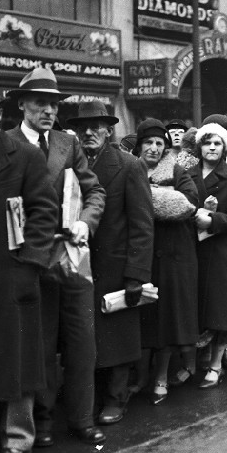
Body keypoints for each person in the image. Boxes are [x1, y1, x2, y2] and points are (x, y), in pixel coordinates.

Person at [6, 68, 107, 448]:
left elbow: (94, 192)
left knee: (83, 342)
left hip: (74, 256)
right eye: (40, 103)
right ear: (22, 105)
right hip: (31, 260)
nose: (48, 110)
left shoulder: (68, 142)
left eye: (53, 103)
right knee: (41, 344)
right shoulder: (7, 143)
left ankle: (82, 419)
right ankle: (44, 421)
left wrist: (85, 223)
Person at [0, 75, 59, 453]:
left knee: (17, 359)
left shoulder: (24, 156)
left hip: (12, 274)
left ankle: (17, 439)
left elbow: (44, 213)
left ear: (0, 113)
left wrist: (31, 263)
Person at [69, 101, 154, 425]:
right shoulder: (70, 163)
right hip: (79, 263)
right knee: (86, 337)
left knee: (117, 337)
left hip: (116, 268)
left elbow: (143, 225)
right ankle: (90, 398)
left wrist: (135, 275)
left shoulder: (129, 165)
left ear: (108, 130)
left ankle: (116, 399)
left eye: (96, 126)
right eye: (82, 127)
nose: (88, 132)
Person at [133, 119, 199, 405]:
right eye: (149, 142)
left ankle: (160, 375)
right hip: (140, 253)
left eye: (160, 143)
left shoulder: (176, 170)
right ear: (139, 145)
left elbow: (188, 202)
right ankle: (139, 377)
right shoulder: (130, 169)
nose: (154, 148)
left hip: (172, 255)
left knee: (165, 319)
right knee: (141, 319)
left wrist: (146, 197)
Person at [192, 122, 227, 388]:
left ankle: (215, 365)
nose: (212, 148)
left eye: (217, 143)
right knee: (196, 308)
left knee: (220, 310)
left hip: (221, 250)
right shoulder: (188, 174)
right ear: (199, 146)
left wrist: (212, 221)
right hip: (193, 250)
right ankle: (195, 363)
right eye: (207, 143)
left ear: (225, 147)